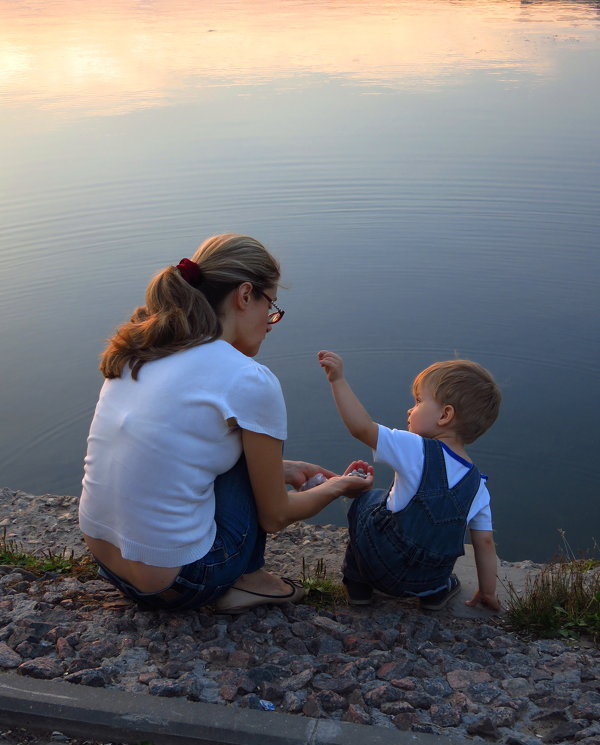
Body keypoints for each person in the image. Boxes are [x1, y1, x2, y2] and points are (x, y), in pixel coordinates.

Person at [79, 234, 373, 614]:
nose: (271, 323)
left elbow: (170, 451)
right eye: (271, 305)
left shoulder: (141, 350)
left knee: (239, 453)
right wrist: (337, 487)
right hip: (182, 582)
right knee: (253, 467)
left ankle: (232, 577)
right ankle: (252, 580)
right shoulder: (249, 379)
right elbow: (275, 514)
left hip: (107, 560)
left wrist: (283, 469)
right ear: (245, 294)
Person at [318, 351, 501, 611]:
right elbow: (484, 543)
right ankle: (436, 593)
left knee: (368, 498)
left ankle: (357, 583)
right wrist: (488, 591)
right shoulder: (478, 487)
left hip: (379, 565)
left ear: (445, 416)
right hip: (427, 579)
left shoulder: (416, 448)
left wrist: (338, 381)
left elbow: (361, 427)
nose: (410, 409)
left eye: (418, 401)